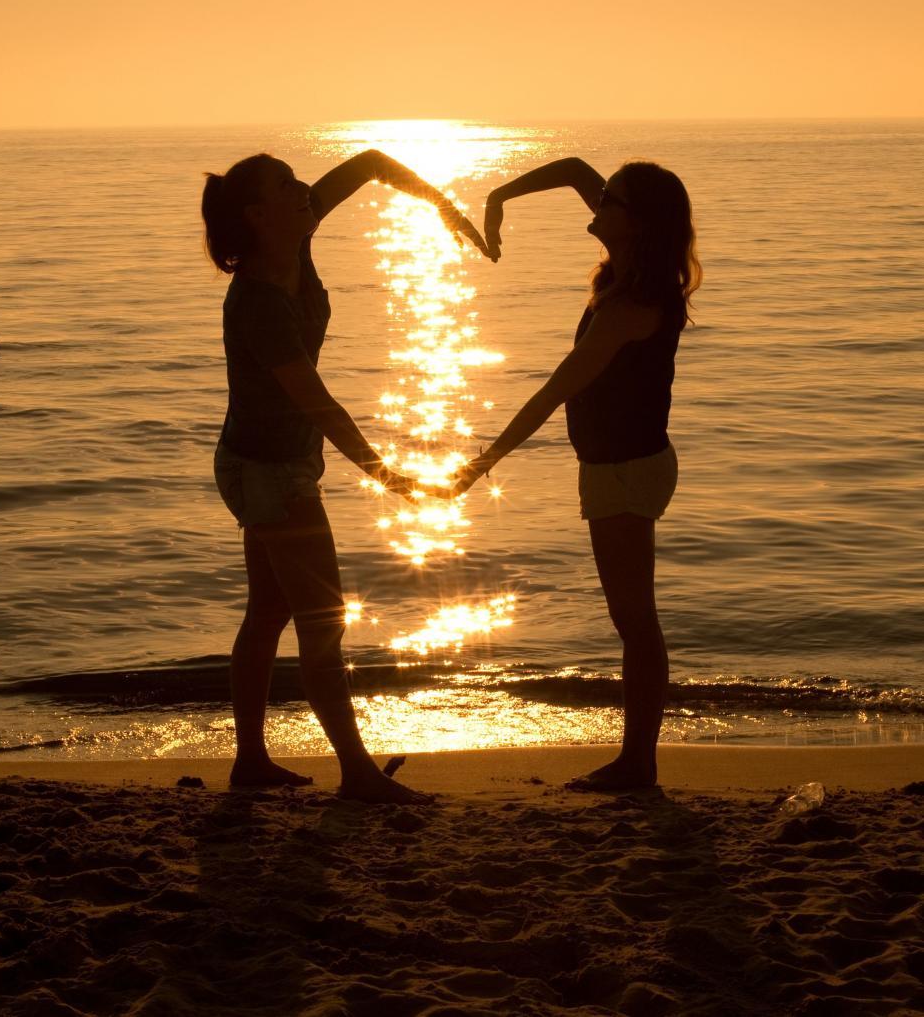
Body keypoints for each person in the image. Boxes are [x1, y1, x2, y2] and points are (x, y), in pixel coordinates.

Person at [202, 148, 488, 801]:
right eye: (287, 185)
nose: (304, 188)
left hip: (265, 462)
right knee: (322, 620)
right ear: (257, 214)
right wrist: (389, 476)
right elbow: (318, 403)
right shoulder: (259, 304)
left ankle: (251, 761)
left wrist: (439, 203)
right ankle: (356, 773)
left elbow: (367, 163)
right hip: (270, 472)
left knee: (271, 610)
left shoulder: (293, 236)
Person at [453, 157, 701, 790]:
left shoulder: (633, 304)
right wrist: (499, 194)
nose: (597, 202)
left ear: (635, 220)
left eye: (610, 198)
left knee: (635, 621)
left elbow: (555, 390)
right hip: (620, 465)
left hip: (625, 470)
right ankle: (636, 761)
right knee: (634, 618)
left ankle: (637, 764)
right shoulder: (631, 263)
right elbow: (572, 169)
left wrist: (484, 462)